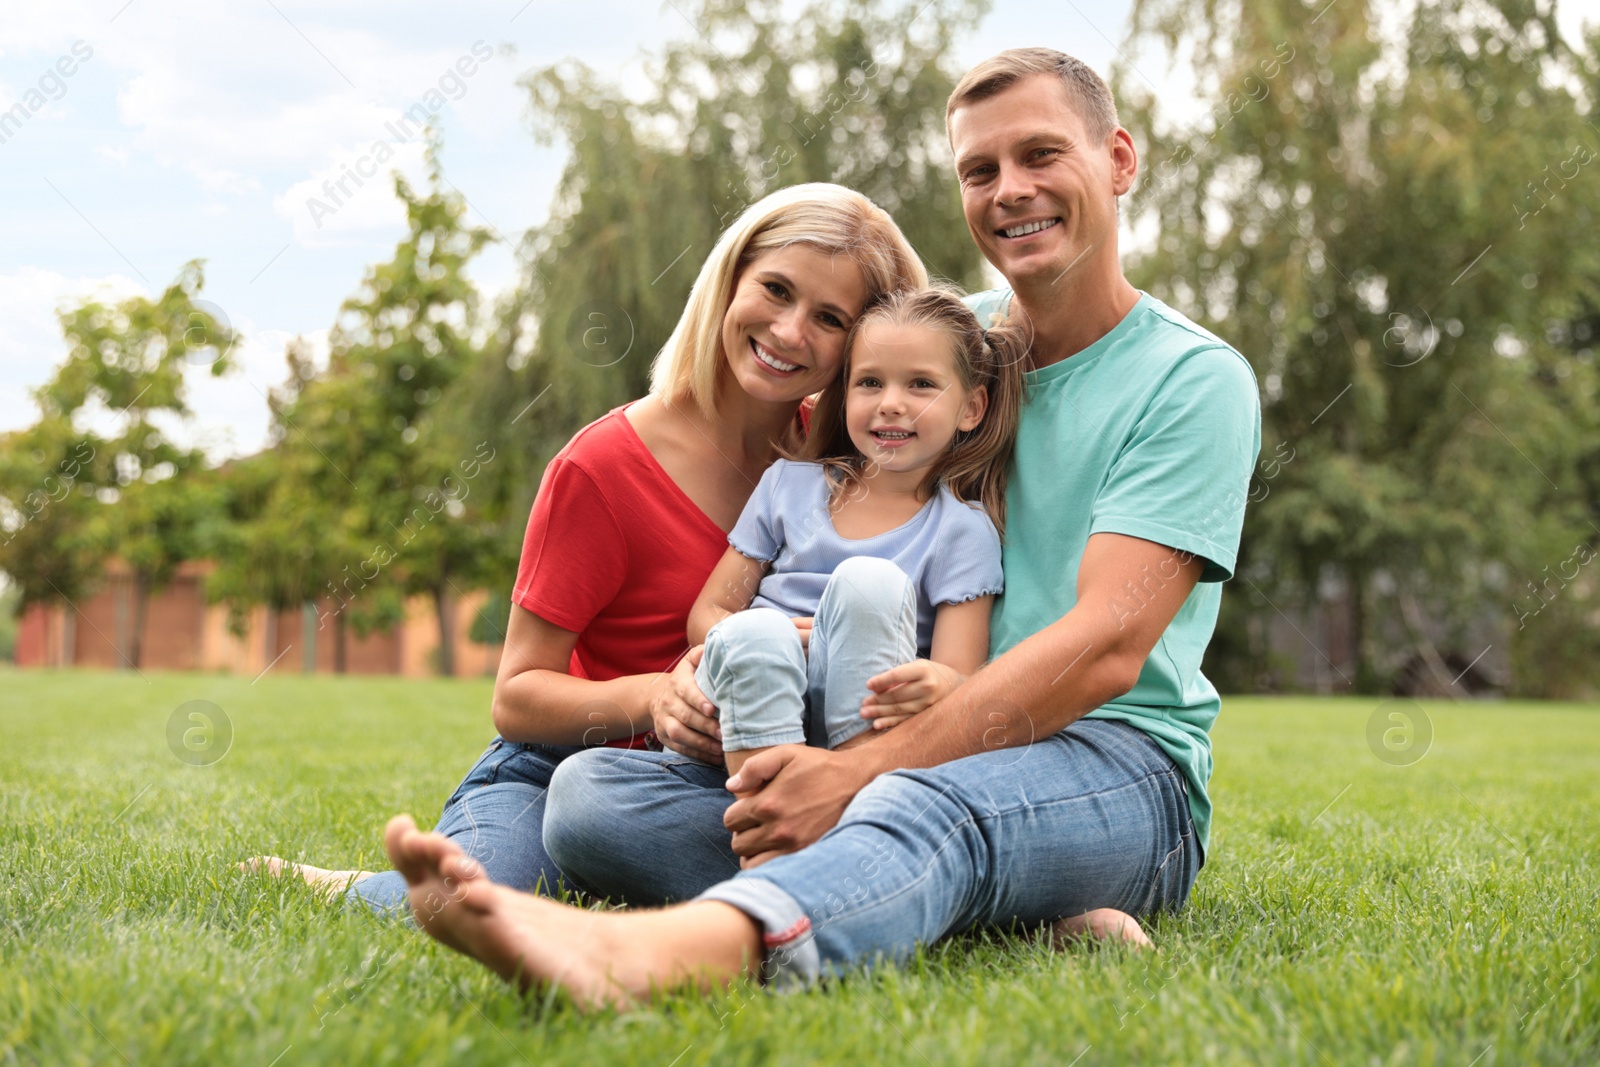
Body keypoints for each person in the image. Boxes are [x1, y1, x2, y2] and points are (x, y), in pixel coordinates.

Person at [383, 46, 1263, 1008]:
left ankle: (648, 957)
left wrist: (854, 773)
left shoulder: (1192, 381)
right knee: (593, 801)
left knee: (911, 803)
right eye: (980, 170)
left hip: (1111, 764)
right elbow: (801, 462)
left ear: (1120, 162)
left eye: (1042, 155)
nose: (1011, 191)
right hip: (902, 733)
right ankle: (999, 912)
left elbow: (1105, 648)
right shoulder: (930, 349)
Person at [243, 183, 928, 909]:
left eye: (829, 318)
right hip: (564, 765)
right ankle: (351, 889)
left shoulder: (854, 456)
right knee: (470, 905)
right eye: (776, 290)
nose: (790, 331)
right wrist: (655, 696)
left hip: (719, 780)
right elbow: (517, 694)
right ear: (730, 281)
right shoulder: (601, 467)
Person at [690, 288, 1025, 779]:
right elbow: (709, 611)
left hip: (871, 740)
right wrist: (771, 638)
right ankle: (764, 812)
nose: (890, 404)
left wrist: (939, 681)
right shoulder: (789, 486)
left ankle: (840, 795)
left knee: (869, 585)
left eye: (920, 385)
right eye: (870, 382)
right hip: (750, 712)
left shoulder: (961, 530)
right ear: (844, 394)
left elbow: (961, 677)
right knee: (583, 789)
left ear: (971, 409)